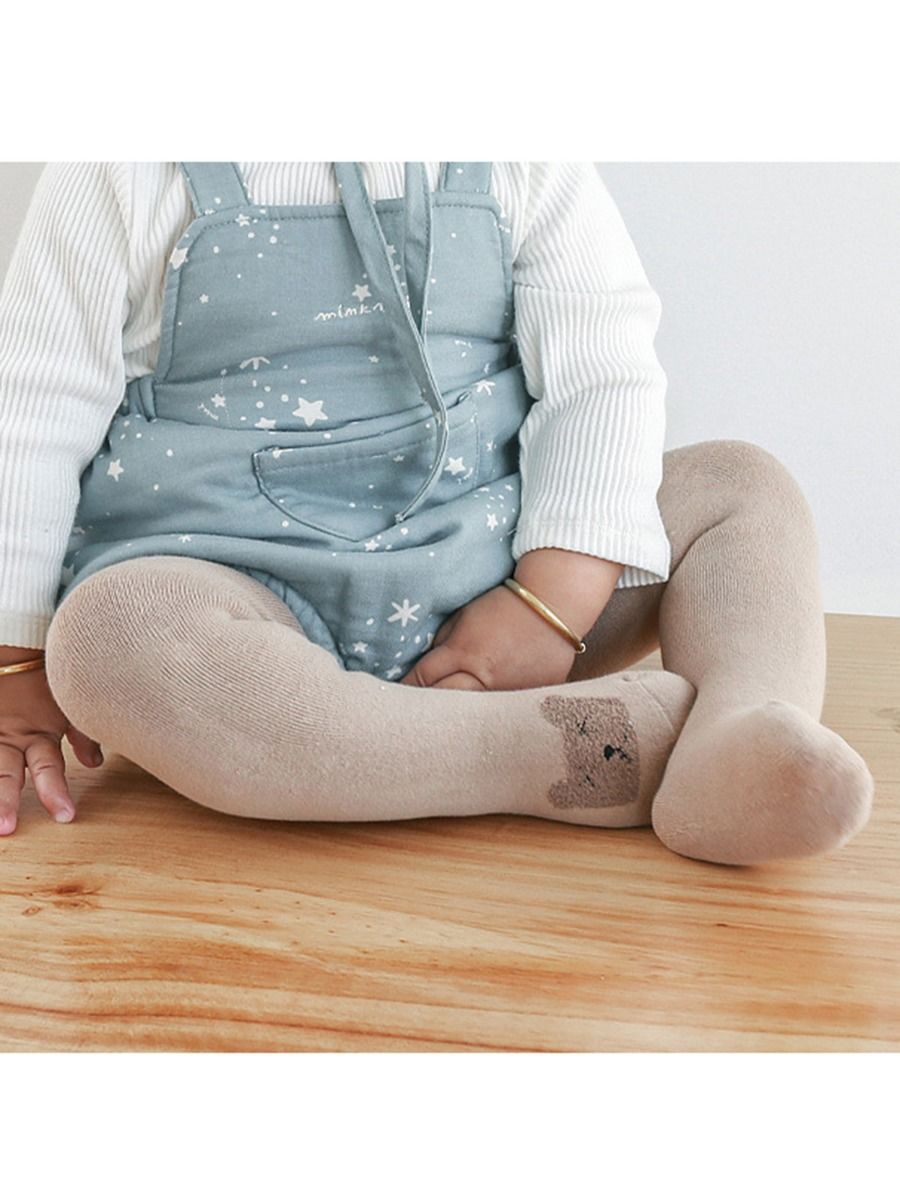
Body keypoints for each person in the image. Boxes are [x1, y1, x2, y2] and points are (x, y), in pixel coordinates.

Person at [0, 162, 874, 864]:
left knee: (738, 486)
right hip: (238, 598)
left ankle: (737, 746)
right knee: (107, 638)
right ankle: (568, 753)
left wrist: (551, 603)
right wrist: (17, 659)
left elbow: (602, 374)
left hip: (497, 580)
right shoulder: (118, 163)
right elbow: (32, 404)